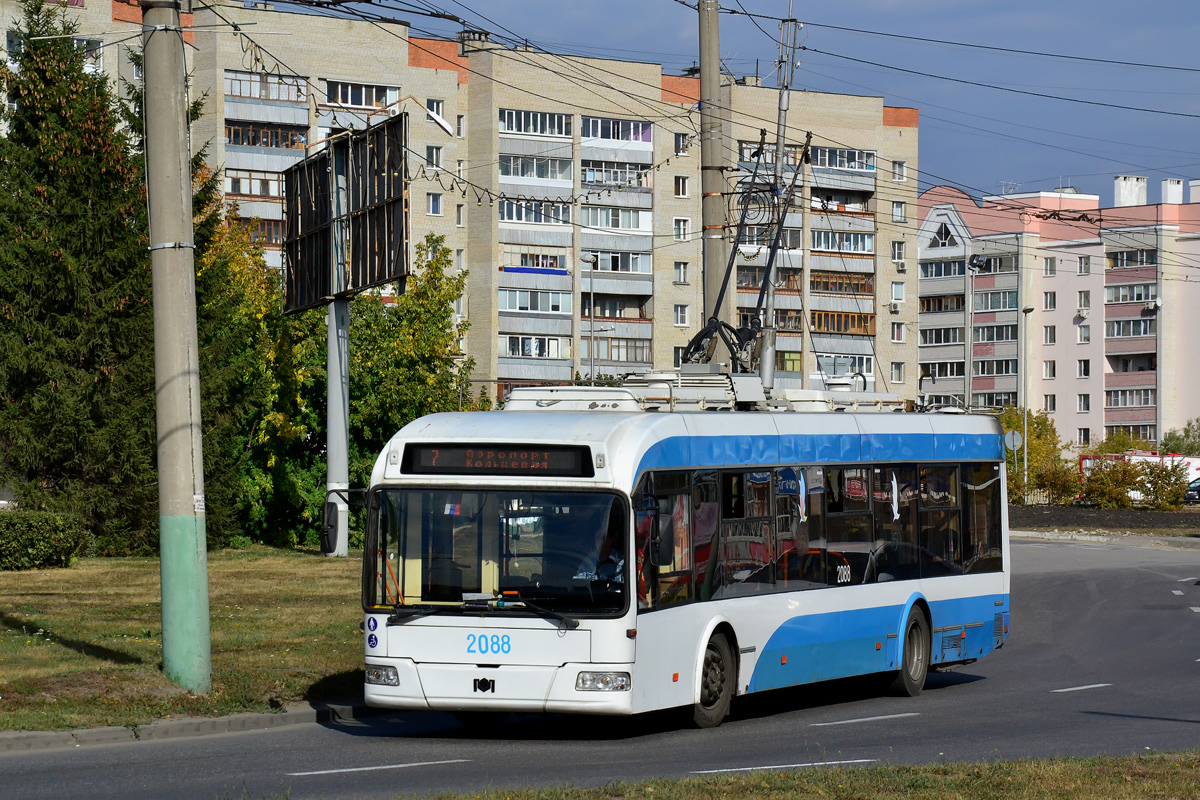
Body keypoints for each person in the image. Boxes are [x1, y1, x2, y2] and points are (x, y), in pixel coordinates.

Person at [574, 503, 625, 583]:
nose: (600, 542)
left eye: (603, 538)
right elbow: (578, 585)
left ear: (612, 539)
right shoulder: (588, 562)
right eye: (597, 538)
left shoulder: (621, 563)